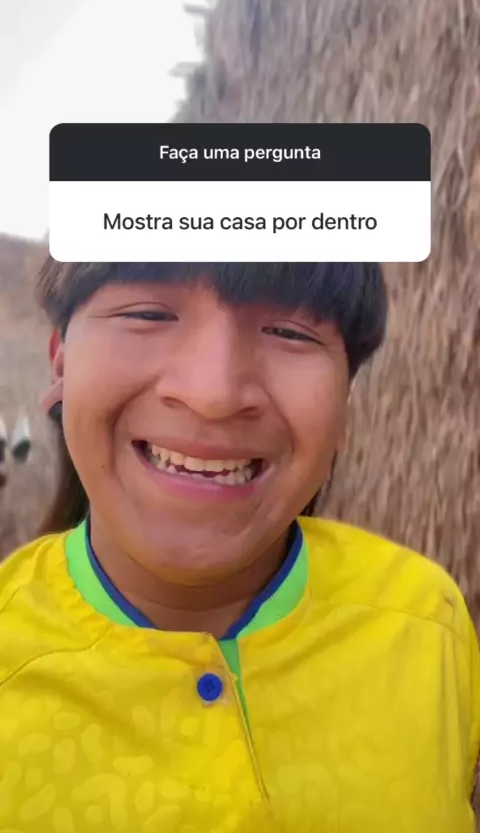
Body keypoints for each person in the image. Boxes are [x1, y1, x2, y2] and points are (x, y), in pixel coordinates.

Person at [0, 258, 478, 833]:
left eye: (288, 332)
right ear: (61, 362)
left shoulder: (425, 622)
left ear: (346, 396)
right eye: (148, 314)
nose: (214, 394)